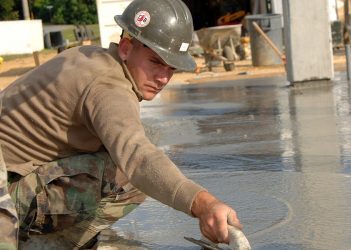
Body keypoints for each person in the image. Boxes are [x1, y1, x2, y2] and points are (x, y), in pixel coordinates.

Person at [0, 0, 242, 249]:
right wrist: (204, 204)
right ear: (126, 48)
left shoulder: (93, 57)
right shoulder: (109, 88)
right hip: (7, 195)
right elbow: (139, 159)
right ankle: (51, 244)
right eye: (155, 62)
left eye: (171, 68)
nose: (162, 78)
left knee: (140, 145)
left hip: (13, 175)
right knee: (132, 173)